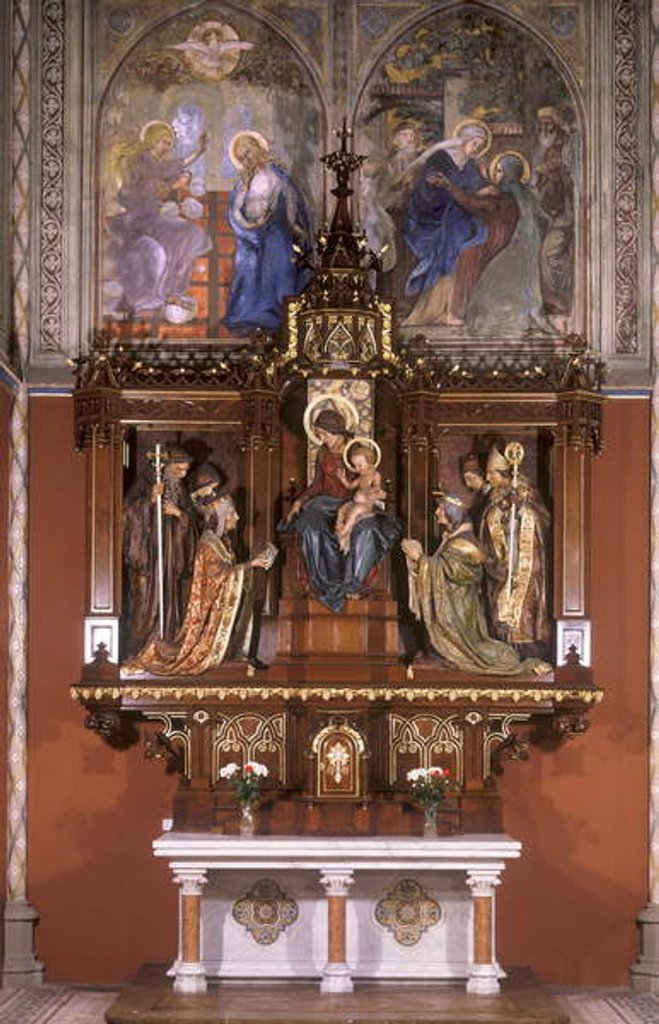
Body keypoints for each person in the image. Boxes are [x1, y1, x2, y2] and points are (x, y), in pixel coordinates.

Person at [124, 476, 276, 676]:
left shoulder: (223, 543)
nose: (237, 517)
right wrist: (249, 565)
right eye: (232, 513)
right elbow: (217, 576)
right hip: (207, 623)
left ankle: (231, 651)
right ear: (222, 517)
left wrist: (252, 564)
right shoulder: (208, 543)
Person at [401, 493, 550, 676]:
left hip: (459, 615)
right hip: (454, 609)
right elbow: (443, 568)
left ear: (451, 513)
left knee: (479, 652)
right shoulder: (453, 538)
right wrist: (418, 561)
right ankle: (440, 653)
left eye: (441, 508)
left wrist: (421, 559)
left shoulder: (464, 544)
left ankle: (449, 653)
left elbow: (453, 571)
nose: (437, 512)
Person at [281, 404, 400, 612]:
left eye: (325, 434)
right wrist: (299, 502)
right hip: (324, 503)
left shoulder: (355, 450)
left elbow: (367, 479)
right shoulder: (323, 452)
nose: (322, 439)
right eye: (319, 434)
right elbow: (318, 483)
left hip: (353, 502)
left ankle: (350, 585)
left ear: (336, 431)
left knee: (366, 529)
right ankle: (324, 585)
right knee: (309, 525)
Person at [107, 121, 211, 318]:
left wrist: (199, 151)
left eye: (170, 143)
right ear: (152, 140)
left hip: (153, 217)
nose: (167, 147)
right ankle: (161, 294)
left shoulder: (158, 163)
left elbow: (178, 164)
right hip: (137, 219)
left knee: (192, 235)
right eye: (164, 142)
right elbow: (134, 192)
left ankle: (172, 291)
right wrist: (173, 186)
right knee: (177, 238)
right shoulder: (136, 161)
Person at [401, 120, 495, 326]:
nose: (476, 149)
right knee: (446, 253)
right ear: (464, 140)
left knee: (462, 250)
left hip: (458, 218)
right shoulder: (441, 158)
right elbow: (431, 187)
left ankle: (449, 310)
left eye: (480, 147)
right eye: (474, 144)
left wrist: (485, 187)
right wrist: (457, 191)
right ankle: (431, 311)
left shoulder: (471, 165)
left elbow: (476, 188)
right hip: (432, 215)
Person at [224, 131, 311, 334]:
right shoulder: (244, 182)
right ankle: (248, 316)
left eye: (248, 153)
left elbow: (291, 201)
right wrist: (250, 226)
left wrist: (295, 226)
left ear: (258, 148)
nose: (247, 159)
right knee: (248, 263)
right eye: (242, 158)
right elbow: (235, 211)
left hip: (277, 230)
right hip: (250, 236)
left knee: (280, 254)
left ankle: (279, 314)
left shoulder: (278, 176)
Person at [122, 446, 197, 658]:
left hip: (171, 557)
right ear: (165, 467)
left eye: (186, 470)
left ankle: (167, 643)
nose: (183, 475)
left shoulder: (181, 491)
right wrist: (150, 501)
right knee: (146, 601)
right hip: (149, 558)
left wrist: (179, 514)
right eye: (179, 469)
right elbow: (127, 514)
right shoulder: (146, 485)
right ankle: (141, 647)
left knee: (170, 601)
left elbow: (191, 523)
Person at [480, 446, 551, 658]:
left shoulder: (526, 492)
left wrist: (520, 509)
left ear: (504, 474)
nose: (487, 477)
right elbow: (487, 524)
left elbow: (542, 520)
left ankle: (526, 649)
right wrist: (500, 510)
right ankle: (503, 647)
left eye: (491, 472)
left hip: (525, 562)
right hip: (501, 562)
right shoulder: (493, 497)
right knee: (498, 603)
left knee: (524, 607)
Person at [532, 107, 574, 334]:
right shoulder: (545, 148)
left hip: (564, 214)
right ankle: (549, 305)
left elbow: (564, 174)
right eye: (542, 123)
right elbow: (537, 182)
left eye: (549, 122)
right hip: (548, 213)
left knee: (548, 255)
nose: (545, 127)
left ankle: (557, 305)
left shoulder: (564, 147)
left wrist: (546, 170)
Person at [335, 439, 387, 554]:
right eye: (355, 466)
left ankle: (345, 530)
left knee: (355, 511)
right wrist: (343, 479)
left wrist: (372, 491)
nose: (357, 469)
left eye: (360, 465)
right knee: (343, 508)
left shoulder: (375, 475)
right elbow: (350, 486)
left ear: (370, 463)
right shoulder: (360, 478)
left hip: (365, 506)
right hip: (355, 503)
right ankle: (339, 526)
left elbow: (377, 488)